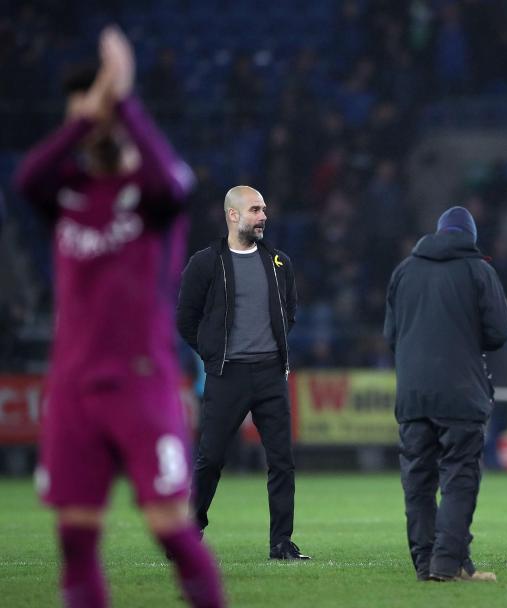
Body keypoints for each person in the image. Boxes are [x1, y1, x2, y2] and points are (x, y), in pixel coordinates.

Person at [14, 26, 224, 607]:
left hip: (141, 386)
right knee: (75, 543)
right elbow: (26, 178)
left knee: (173, 532)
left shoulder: (151, 196)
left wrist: (123, 99)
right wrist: (84, 118)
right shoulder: (68, 193)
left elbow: (176, 182)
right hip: (73, 389)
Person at [176, 185, 306, 560]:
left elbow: (289, 313)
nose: (263, 216)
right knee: (211, 458)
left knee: (282, 460)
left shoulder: (280, 263)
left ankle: (281, 543)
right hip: (226, 373)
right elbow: (185, 319)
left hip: (270, 374)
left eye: (264, 209)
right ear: (233, 215)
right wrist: (213, 353)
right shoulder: (205, 263)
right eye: (254, 210)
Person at [384, 206, 507, 582]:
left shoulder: (404, 271)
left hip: (412, 395)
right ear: (470, 237)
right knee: (459, 477)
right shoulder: (478, 271)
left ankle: (426, 564)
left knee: (418, 482)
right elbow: (499, 332)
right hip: (461, 394)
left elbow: (391, 337)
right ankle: (445, 565)